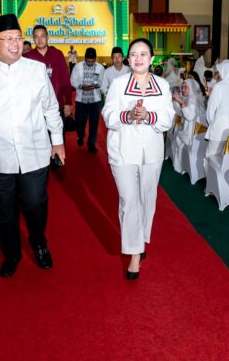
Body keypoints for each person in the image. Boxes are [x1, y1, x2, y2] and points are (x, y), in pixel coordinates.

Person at [0, 14, 65, 277]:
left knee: (35, 204)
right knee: (3, 211)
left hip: (34, 153)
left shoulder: (36, 70)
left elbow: (50, 107)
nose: (15, 44)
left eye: (18, 38)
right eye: (8, 39)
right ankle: (11, 254)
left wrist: (58, 141)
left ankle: (38, 242)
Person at [102, 38, 174, 280]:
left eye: (143, 54)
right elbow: (108, 115)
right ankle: (134, 254)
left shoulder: (162, 85)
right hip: (122, 150)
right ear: (128, 59)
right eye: (134, 54)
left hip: (152, 152)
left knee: (147, 199)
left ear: (151, 58)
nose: (138, 58)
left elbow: (168, 118)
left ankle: (140, 238)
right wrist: (129, 115)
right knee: (129, 200)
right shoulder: (118, 84)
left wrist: (150, 116)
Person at [25, 24, 73, 119]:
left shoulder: (57, 54)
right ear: (33, 39)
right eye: (36, 37)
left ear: (47, 37)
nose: (40, 40)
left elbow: (65, 79)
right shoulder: (28, 57)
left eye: (42, 36)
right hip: (36, 106)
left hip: (56, 103)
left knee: (57, 128)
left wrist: (68, 102)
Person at [71, 47, 105, 153]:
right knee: (79, 122)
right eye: (88, 61)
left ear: (95, 59)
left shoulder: (100, 68)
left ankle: (91, 144)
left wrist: (97, 85)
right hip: (81, 101)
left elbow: (102, 82)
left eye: (92, 61)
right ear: (85, 58)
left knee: (94, 123)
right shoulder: (77, 67)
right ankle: (80, 136)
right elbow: (72, 81)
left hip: (95, 100)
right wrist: (81, 86)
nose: (90, 63)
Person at [171, 78, 205, 174]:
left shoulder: (192, 100)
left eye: (186, 87)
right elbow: (182, 114)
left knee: (177, 138)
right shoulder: (190, 98)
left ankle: (180, 167)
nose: (183, 90)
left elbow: (189, 117)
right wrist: (178, 102)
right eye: (182, 87)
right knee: (177, 137)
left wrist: (181, 102)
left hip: (191, 133)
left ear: (191, 88)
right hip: (193, 131)